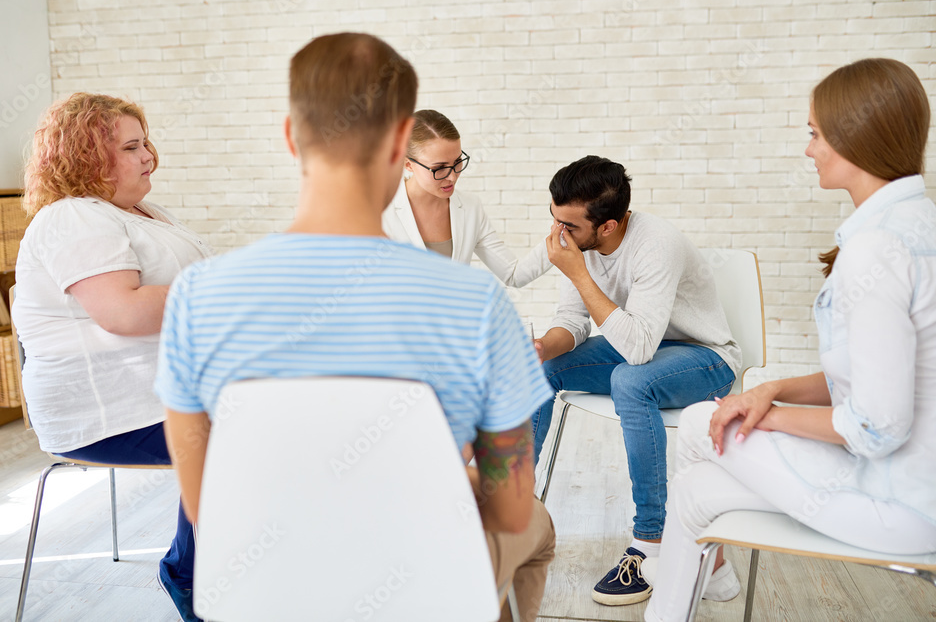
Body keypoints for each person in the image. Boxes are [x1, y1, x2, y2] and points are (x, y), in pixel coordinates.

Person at [155, 32, 556, 622]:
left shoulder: (196, 296)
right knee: (537, 531)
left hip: (265, 590)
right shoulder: (476, 305)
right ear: (401, 145)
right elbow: (511, 511)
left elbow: (201, 503)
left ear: (291, 137)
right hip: (421, 583)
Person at [643, 58, 936, 621]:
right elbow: (876, 373)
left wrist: (768, 413)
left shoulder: (876, 250)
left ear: (856, 135)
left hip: (900, 504)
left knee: (706, 424)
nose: (809, 149)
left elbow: (875, 426)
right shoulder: (917, 224)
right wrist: (772, 388)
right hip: (908, 486)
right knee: (694, 491)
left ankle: (708, 578)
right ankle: (714, 581)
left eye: (815, 134)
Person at [13, 92, 212, 622]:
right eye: (131, 147)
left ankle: (241, 563)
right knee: (242, 436)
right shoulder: (72, 218)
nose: (148, 155)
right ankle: (194, 575)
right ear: (85, 159)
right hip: (106, 415)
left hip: (159, 393)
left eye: (145, 141)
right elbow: (123, 312)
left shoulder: (141, 212)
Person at [529, 156, 742, 606]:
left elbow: (639, 349)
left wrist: (579, 274)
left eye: (568, 225)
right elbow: (573, 321)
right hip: (640, 344)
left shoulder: (655, 244)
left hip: (704, 357)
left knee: (630, 380)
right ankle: (513, 507)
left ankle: (651, 543)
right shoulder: (581, 245)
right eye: (554, 218)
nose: (557, 234)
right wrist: (542, 347)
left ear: (607, 226)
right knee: (541, 371)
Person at [382, 109, 552, 286]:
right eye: (439, 167)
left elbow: (513, 274)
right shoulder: (380, 210)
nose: (452, 177)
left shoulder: (471, 208)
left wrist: (563, 234)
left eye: (457, 162)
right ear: (408, 164)